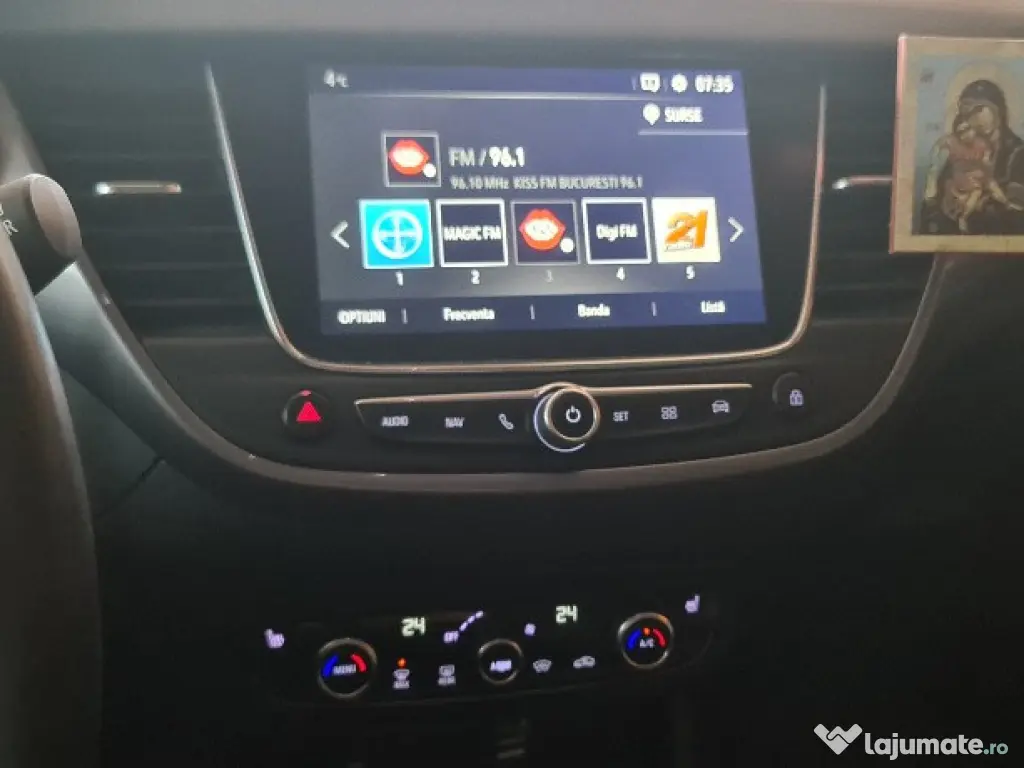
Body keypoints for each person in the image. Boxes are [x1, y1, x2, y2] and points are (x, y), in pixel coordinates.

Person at [919, 79, 1024, 235]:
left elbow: (1017, 212)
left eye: (979, 109)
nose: (974, 119)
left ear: (998, 109)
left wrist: (980, 204)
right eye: (967, 114)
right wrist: (942, 198)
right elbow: (934, 203)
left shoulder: (1018, 153)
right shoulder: (962, 154)